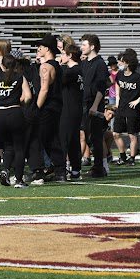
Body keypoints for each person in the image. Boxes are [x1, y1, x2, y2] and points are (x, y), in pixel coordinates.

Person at [0, 53, 31, 188]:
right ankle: (19, 180)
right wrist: (19, 101)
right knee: (19, 148)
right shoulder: (19, 77)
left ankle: (5, 169)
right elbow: (28, 97)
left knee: (7, 146)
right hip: (14, 112)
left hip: (0, 114)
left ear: (2, 64)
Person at [31, 35, 65, 184]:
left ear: (47, 49)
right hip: (56, 106)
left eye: (41, 46)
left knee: (39, 138)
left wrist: (36, 108)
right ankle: (59, 171)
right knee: (52, 139)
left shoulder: (45, 67)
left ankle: (41, 171)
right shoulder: (57, 65)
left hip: (47, 107)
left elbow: (44, 90)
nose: (38, 49)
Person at [80, 34, 110, 178]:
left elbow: (101, 87)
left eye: (84, 45)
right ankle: (96, 166)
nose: (82, 47)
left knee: (96, 137)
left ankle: (99, 168)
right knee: (86, 136)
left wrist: (95, 105)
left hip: (94, 105)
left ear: (92, 47)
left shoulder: (100, 63)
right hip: (84, 104)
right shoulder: (85, 63)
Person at [113, 51, 140, 166]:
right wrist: (117, 98)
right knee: (116, 133)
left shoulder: (137, 77)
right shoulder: (120, 74)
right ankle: (122, 156)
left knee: (132, 134)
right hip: (121, 107)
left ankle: (132, 158)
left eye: (121, 62)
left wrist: (138, 100)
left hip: (132, 108)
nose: (119, 64)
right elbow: (117, 83)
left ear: (127, 63)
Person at [59, 44, 84, 180]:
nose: (61, 57)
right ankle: (75, 169)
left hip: (68, 109)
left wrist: (58, 65)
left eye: (63, 54)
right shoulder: (79, 69)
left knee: (64, 139)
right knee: (73, 140)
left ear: (69, 56)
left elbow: (59, 80)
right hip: (76, 108)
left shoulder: (70, 71)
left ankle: (61, 170)